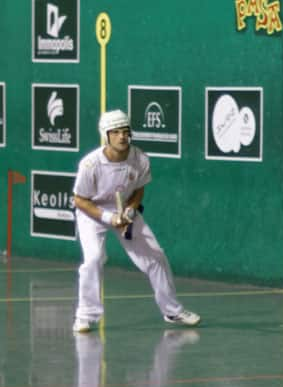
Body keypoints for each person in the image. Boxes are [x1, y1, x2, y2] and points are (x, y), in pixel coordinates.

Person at [71, 110, 200, 333]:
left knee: (156, 256)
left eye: (126, 131)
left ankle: (172, 310)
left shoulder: (140, 158)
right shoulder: (90, 165)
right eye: (116, 132)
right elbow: (80, 200)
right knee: (93, 259)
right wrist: (108, 217)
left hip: (125, 211)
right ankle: (85, 316)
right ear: (106, 135)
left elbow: (139, 190)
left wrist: (130, 211)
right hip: (94, 212)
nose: (122, 136)